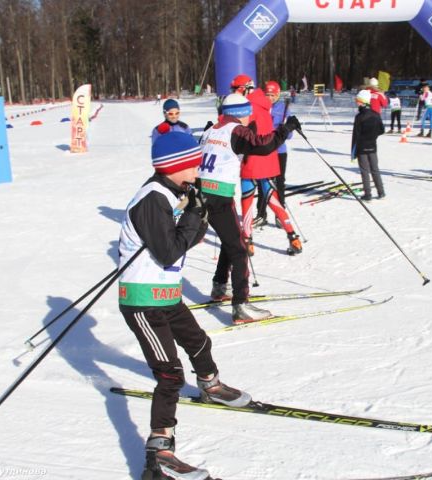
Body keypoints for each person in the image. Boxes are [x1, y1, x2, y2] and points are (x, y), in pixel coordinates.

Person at [117, 132, 252, 480]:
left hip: (166, 294)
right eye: (193, 163)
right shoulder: (151, 198)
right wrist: (193, 216)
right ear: (176, 166)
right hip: (143, 301)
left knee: (200, 342)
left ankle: (210, 385)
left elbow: (183, 240)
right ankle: (159, 454)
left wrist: (197, 214)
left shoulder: (173, 192)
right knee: (169, 373)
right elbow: (167, 251)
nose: (198, 167)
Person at [199, 93, 300, 322]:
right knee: (240, 248)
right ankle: (241, 305)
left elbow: (236, 142)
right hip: (219, 198)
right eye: (248, 113)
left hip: (203, 195)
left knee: (230, 240)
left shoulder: (212, 129)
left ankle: (219, 286)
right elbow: (264, 146)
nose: (250, 117)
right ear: (241, 114)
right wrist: (286, 128)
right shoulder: (235, 130)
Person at [240, 84, 302, 256]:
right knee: (272, 198)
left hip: (252, 162)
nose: (270, 97)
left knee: (247, 201)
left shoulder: (247, 108)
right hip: (267, 161)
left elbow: (248, 136)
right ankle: (292, 235)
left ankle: (248, 240)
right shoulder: (264, 109)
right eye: (267, 94)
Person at [252, 81, 294, 228]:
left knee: (279, 183)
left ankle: (280, 214)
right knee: (262, 183)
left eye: (273, 95)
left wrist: (284, 128)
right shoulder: (260, 108)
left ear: (278, 95)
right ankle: (261, 214)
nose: (270, 98)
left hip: (279, 151)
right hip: (264, 151)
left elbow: (289, 136)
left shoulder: (283, 109)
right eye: (267, 94)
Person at [351, 89, 386, 200]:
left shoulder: (359, 117)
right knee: (375, 169)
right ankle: (381, 192)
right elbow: (381, 130)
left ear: (363, 101)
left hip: (362, 148)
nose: (357, 102)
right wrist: (372, 137)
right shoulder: (376, 114)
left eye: (358, 100)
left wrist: (353, 152)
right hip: (372, 147)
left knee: (365, 171)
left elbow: (355, 136)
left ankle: (368, 195)